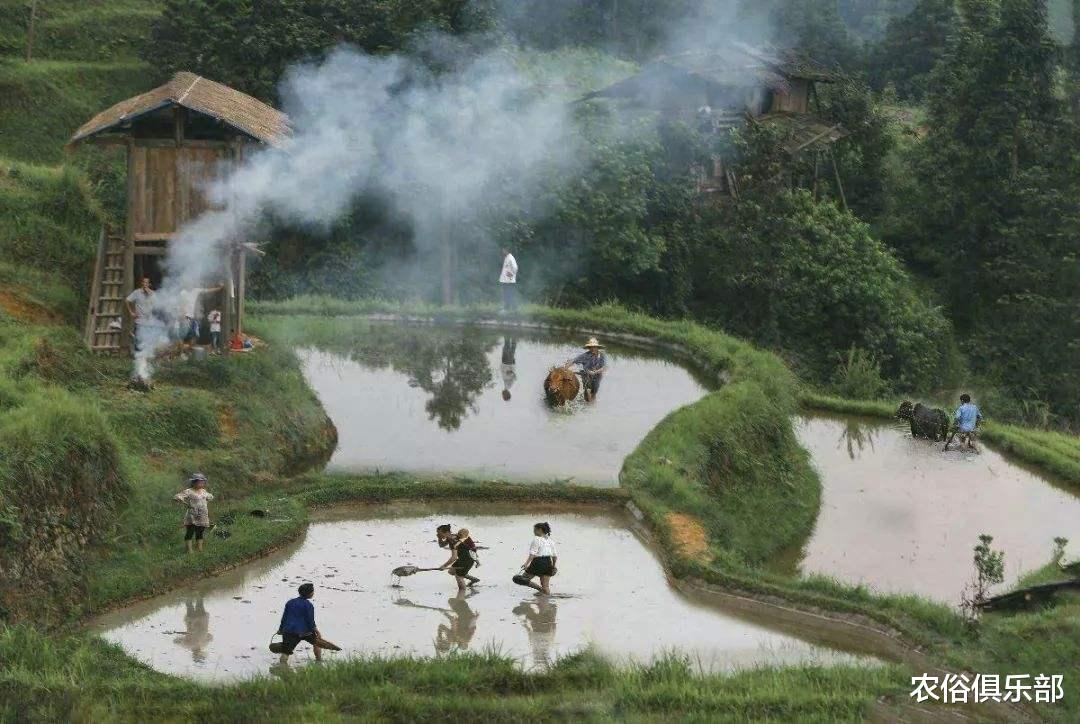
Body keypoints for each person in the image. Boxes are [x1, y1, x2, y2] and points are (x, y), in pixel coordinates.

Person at [277, 583, 325, 664]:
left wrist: (280, 629)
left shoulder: (290, 602)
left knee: (286, 652)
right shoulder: (308, 605)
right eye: (313, 592)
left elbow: (284, 617)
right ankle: (319, 661)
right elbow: (310, 621)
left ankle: (282, 669)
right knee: (317, 643)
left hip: (289, 631)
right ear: (310, 594)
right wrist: (316, 631)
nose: (313, 593)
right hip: (305, 632)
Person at [173, 473, 214, 553]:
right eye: (199, 482)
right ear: (194, 482)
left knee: (200, 532)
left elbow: (210, 497)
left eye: (202, 482)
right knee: (190, 532)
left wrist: (208, 499)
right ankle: (190, 550)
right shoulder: (189, 491)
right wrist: (180, 499)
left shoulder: (204, 491)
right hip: (192, 515)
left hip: (202, 515)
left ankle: (200, 549)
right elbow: (178, 496)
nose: (201, 483)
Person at [514, 522, 557, 595]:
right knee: (546, 586)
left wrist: (526, 564)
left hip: (538, 562)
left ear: (540, 530)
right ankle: (546, 601)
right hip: (548, 562)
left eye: (534, 530)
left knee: (520, 579)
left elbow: (532, 554)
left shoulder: (537, 539)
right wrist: (553, 566)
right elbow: (555, 556)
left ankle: (540, 589)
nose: (533, 532)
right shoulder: (550, 541)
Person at [178, 284, 223, 350]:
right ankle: (181, 351)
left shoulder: (195, 290)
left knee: (195, 335)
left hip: (192, 318)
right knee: (183, 335)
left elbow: (207, 290)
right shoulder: (183, 292)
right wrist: (182, 314)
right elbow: (181, 304)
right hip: (184, 317)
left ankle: (187, 350)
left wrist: (219, 288)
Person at [565, 338, 607, 402]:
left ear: (597, 347)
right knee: (587, 391)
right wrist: (564, 369)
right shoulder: (585, 356)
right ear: (588, 348)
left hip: (597, 376)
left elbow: (604, 367)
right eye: (590, 347)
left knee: (594, 393)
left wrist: (596, 372)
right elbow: (573, 361)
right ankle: (588, 406)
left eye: (594, 347)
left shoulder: (602, 355)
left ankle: (591, 405)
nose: (592, 348)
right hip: (586, 375)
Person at [124, 277, 156, 354]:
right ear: (142, 283)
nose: (145, 284)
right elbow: (127, 300)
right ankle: (137, 356)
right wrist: (131, 312)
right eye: (144, 282)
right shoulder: (137, 292)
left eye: (147, 283)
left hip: (149, 321)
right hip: (139, 320)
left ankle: (146, 354)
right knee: (138, 338)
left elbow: (156, 305)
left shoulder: (152, 294)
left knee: (147, 339)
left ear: (149, 284)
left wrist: (149, 294)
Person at [499, 247, 518, 313]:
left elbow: (515, 267)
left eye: (503, 250)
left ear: (506, 250)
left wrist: (512, 274)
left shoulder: (511, 257)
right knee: (506, 295)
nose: (502, 251)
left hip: (509, 281)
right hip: (505, 280)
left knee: (510, 294)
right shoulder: (506, 257)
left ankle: (513, 309)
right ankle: (507, 308)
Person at [501, 336, 517, 401]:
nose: (502, 395)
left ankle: (510, 333)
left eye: (503, 396)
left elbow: (511, 375)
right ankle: (513, 334)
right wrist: (509, 372)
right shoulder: (509, 386)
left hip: (506, 363)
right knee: (509, 347)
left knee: (507, 347)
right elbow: (514, 376)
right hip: (508, 363)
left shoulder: (506, 386)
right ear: (507, 394)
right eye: (503, 396)